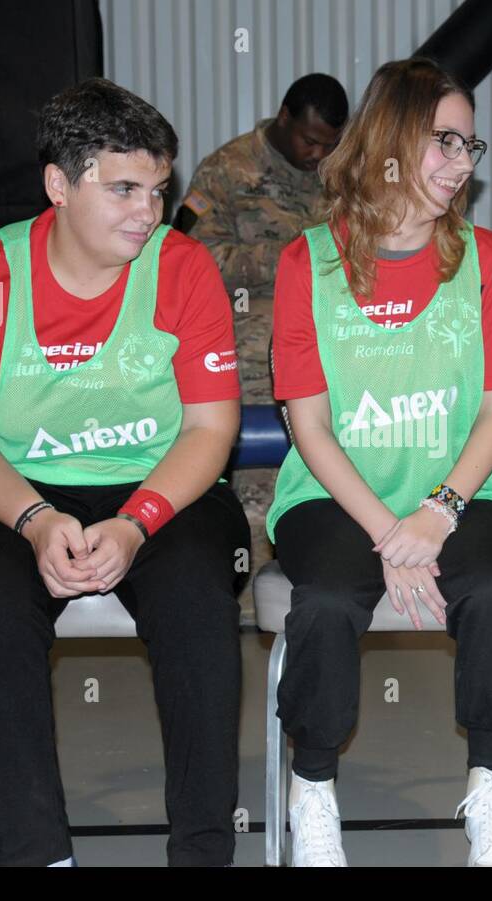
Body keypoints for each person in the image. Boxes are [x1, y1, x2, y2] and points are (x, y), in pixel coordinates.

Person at [0, 78, 249, 867]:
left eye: (159, 189)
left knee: (201, 604)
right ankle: (39, 854)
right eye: (125, 189)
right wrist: (35, 520)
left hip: (160, 486)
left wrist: (138, 521)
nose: (149, 209)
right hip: (20, 490)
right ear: (60, 185)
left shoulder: (183, 268)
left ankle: (203, 853)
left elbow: (212, 426)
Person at [266, 58, 492, 867]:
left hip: (457, 491)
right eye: (443, 141)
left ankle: (491, 787)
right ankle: (311, 790)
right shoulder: (306, 263)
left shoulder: (485, 259)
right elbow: (309, 427)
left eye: (470, 144)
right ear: (389, 140)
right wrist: (391, 531)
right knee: (320, 604)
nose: (462, 163)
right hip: (334, 493)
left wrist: (440, 510)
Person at [178, 74, 349, 588]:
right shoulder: (228, 170)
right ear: (283, 118)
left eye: (330, 145)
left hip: (324, 336)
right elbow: (189, 256)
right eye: (310, 140)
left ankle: (328, 568)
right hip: (249, 340)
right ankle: (250, 580)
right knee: (257, 473)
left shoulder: (339, 175)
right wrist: (286, 257)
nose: (318, 154)